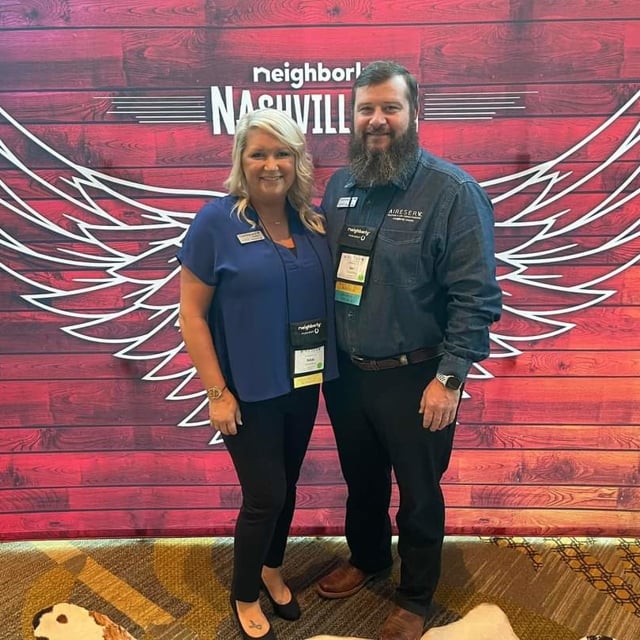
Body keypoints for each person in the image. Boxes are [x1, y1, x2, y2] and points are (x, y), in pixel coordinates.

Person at [316, 61, 502, 640]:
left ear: (415, 114)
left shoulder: (453, 192)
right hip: (346, 374)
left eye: (390, 108)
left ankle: (415, 595)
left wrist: (449, 379)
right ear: (352, 118)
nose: (377, 120)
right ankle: (369, 558)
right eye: (366, 109)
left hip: (417, 375)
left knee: (419, 494)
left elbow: (476, 297)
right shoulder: (340, 186)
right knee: (362, 480)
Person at [177, 108, 338, 640]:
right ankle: (245, 590)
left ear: (298, 161)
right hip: (246, 393)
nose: (271, 164)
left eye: (282, 153)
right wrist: (217, 393)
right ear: (241, 160)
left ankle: (273, 567)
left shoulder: (313, 224)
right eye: (259, 153)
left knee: (286, 487)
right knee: (265, 494)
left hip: (301, 385)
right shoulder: (216, 222)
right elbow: (192, 315)